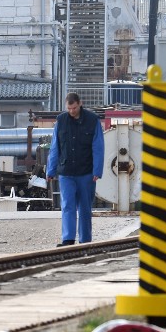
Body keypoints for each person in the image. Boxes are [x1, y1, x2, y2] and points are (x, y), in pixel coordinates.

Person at [46, 92, 105, 246]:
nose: (71, 111)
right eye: (69, 108)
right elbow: (55, 147)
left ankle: (85, 240)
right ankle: (68, 239)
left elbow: (98, 147)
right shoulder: (61, 121)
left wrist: (97, 171)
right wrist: (50, 170)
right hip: (66, 172)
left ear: (80, 104)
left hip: (86, 173)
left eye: (74, 108)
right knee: (67, 206)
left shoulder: (93, 121)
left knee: (85, 207)